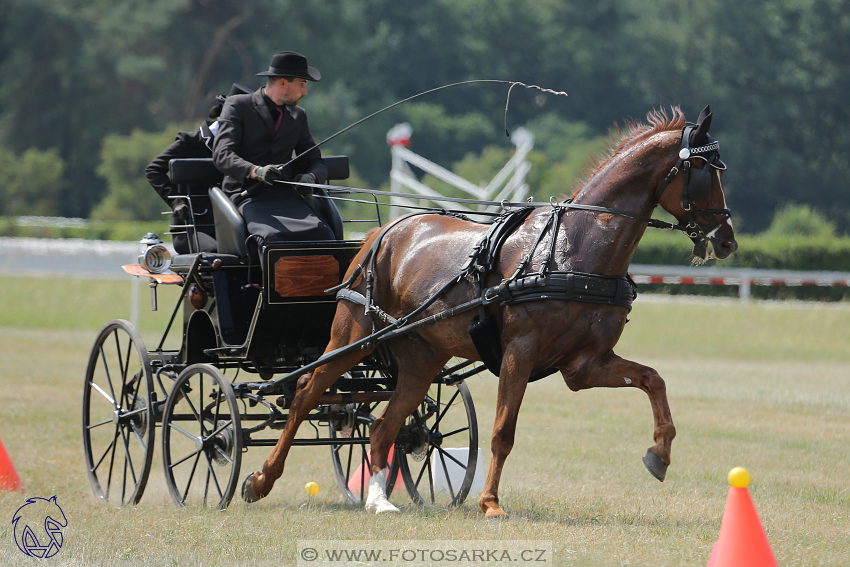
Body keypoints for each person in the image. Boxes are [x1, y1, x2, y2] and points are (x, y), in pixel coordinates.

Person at [212, 51, 335, 251]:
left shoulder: (298, 115)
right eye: (302, 84)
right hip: (247, 196)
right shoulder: (238, 106)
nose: (305, 91)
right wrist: (256, 171)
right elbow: (222, 155)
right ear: (283, 83)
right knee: (272, 238)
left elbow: (315, 160)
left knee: (324, 235)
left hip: (286, 197)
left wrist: (311, 177)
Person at [145, 83, 251, 254]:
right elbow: (153, 170)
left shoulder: (247, 149)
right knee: (217, 253)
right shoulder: (191, 141)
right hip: (193, 228)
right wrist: (176, 202)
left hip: (235, 225)